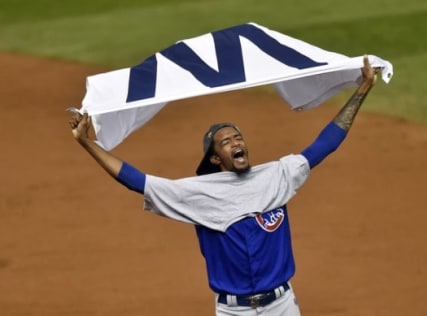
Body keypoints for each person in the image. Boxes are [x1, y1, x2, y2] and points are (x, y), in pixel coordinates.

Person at [69, 55, 378, 316]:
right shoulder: (198, 194)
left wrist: (362, 88)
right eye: (226, 142)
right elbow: (136, 181)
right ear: (215, 159)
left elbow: (326, 143)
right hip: (234, 311)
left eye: (238, 137)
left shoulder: (278, 175)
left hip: (282, 306)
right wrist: (86, 143)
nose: (236, 143)